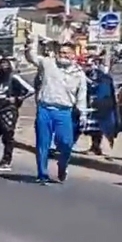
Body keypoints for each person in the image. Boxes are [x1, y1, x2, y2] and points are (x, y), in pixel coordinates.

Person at [25, 36, 86, 184]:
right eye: (62, 53)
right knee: (42, 143)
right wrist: (31, 42)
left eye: (67, 53)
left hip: (64, 112)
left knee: (66, 143)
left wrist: (82, 113)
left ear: (73, 56)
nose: (64, 56)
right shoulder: (47, 64)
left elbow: (82, 95)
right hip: (45, 109)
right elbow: (31, 57)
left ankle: (62, 165)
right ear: (57, 53)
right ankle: (42, 174)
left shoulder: (79, 73)